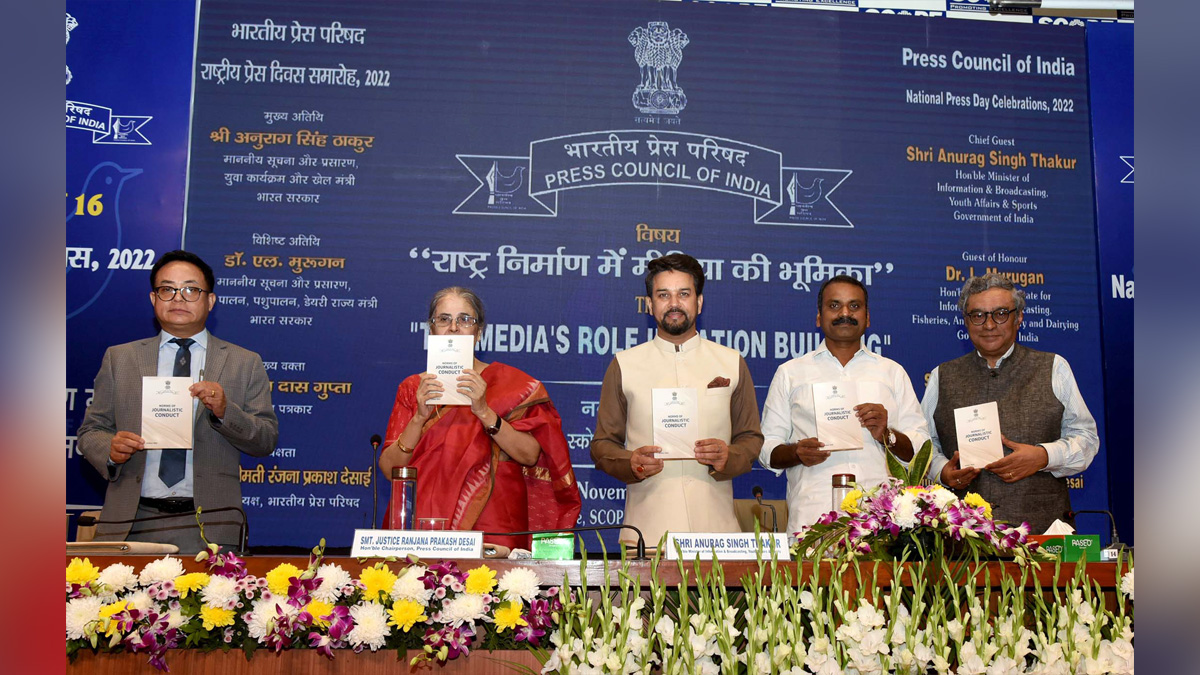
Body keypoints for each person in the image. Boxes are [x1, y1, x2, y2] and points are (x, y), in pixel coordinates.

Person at [78, 250, 279, 553]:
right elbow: (91, 430)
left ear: (210, 300)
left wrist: (226, 412)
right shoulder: (120, 358)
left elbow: (265, 439)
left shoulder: (244, 362)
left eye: (191, 289)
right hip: (130, 521)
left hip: (207, 523)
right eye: (167, 289)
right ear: (153, 299)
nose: (178, 298)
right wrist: (110, 449)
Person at [378, 287, 580, 550]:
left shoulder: (513, 385)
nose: (453, 328)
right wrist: (418, 418)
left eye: (464, 319)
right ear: (431, 330)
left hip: (494, 528)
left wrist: (484, 411)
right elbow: (389, 470)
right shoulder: (413, 388)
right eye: (443, 319)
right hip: (424, 527)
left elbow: (531, 455)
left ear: (479, 333)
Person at [591, 253, 763, 547]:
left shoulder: (731, 362)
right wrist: (631, 461)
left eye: (684, 294)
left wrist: (727, 456)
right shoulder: (624, 364)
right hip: (646, 536)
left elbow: (751, 438)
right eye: (663, 295)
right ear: (649, 305)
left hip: (718, 535)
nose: (674, 304)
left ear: (699, 302)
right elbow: (602, 445)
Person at [922, 273, 1098, 534]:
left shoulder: (1054, 367)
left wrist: (1043, 456)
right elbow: (924, 445)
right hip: (963, 540)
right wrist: (942, 472)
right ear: (966, 322)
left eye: (1001, 313)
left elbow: (1087, 439)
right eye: (978, 315)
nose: (989, 324)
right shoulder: (941, 376)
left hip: (1043, 536)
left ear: (1019, 318)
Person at [759, 274, 930, 529]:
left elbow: (921, 450)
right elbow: (766, 449)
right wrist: (796, 452)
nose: (845, 313)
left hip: (882, 522)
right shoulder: (790, 373)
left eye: (854, 305)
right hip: (813, 519)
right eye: (834, 305)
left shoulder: (892, 373)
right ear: (819, 317)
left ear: (868, 317)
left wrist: (887, 435)